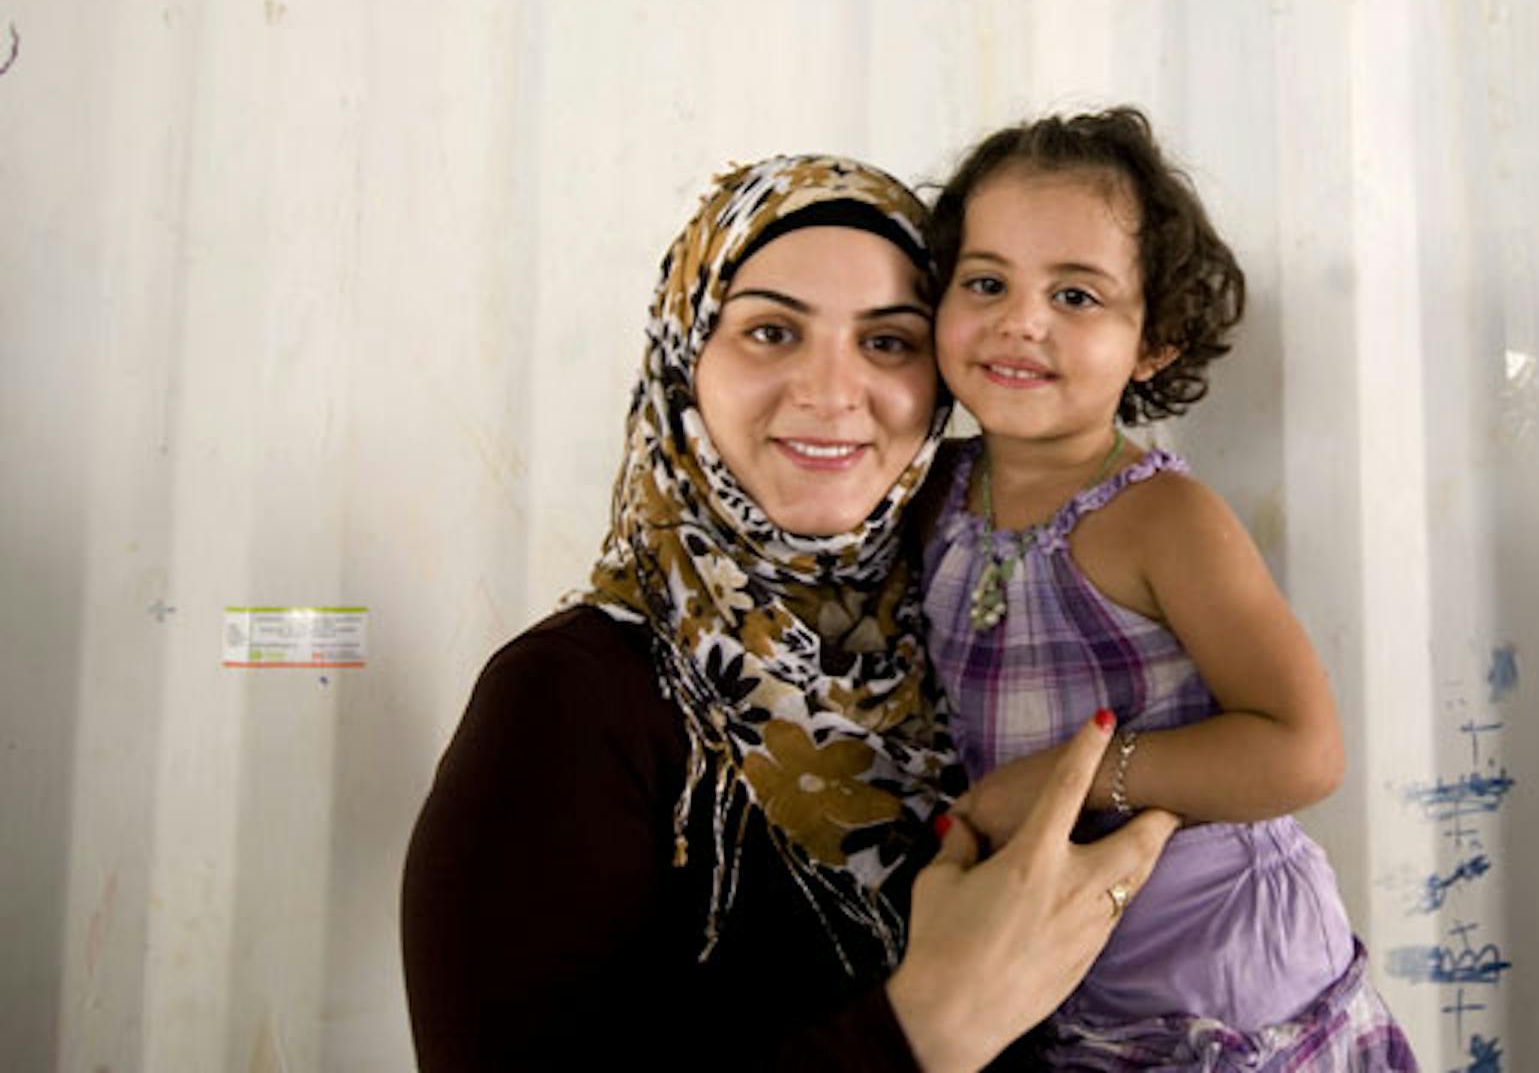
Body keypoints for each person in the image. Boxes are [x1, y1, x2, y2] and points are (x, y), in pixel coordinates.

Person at [401, 155, 1176, 1071]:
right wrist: (931, 1023)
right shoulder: (571, 701)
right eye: (772, 331)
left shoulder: (988, 639)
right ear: (686, 355)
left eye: (888, 341)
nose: (831, 391)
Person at [917, 110, 1416, 1068]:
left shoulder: (1161, 518)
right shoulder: (934, 493)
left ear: (1156, 341)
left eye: (1076, 295)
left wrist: (1067, 780)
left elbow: (1302, 750)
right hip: (1065, 982)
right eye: (986, 283)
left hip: (1223, 980)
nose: (1021, 320)